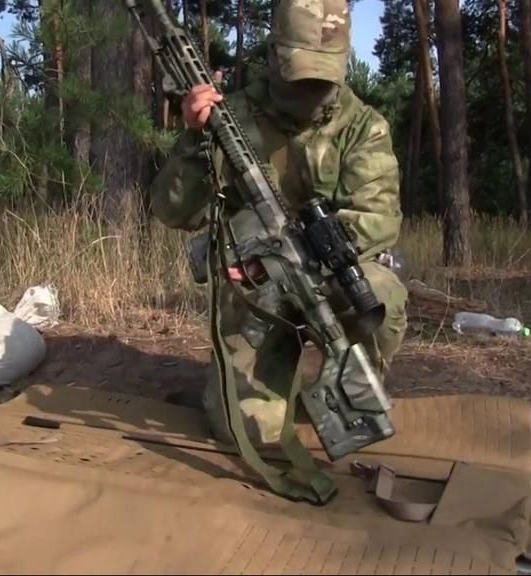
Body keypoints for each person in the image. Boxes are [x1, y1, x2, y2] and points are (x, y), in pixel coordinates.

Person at [150, 0, 408, 448]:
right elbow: (174, 212)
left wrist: (293, 260)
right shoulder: (230, 116)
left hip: (326, 280)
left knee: (381, 293)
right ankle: (258, 383)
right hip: (255, 289)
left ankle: (344, 385)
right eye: (301, 70)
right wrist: (194, 138)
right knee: (249, 435)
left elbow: (376, 221)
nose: (311, 88)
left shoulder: (363, 127)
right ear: (273, 56)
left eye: (322, 74)